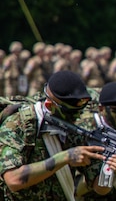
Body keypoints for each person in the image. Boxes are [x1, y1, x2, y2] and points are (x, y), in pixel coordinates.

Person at [0, 70, 108, 200]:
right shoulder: (18, 124)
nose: (78, 116)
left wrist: (110, 168)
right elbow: (13, 180)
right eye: (71, 112)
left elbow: (101, 188)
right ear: (50, 105)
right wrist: (65, 157)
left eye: (80, 111)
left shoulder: (73, 128)